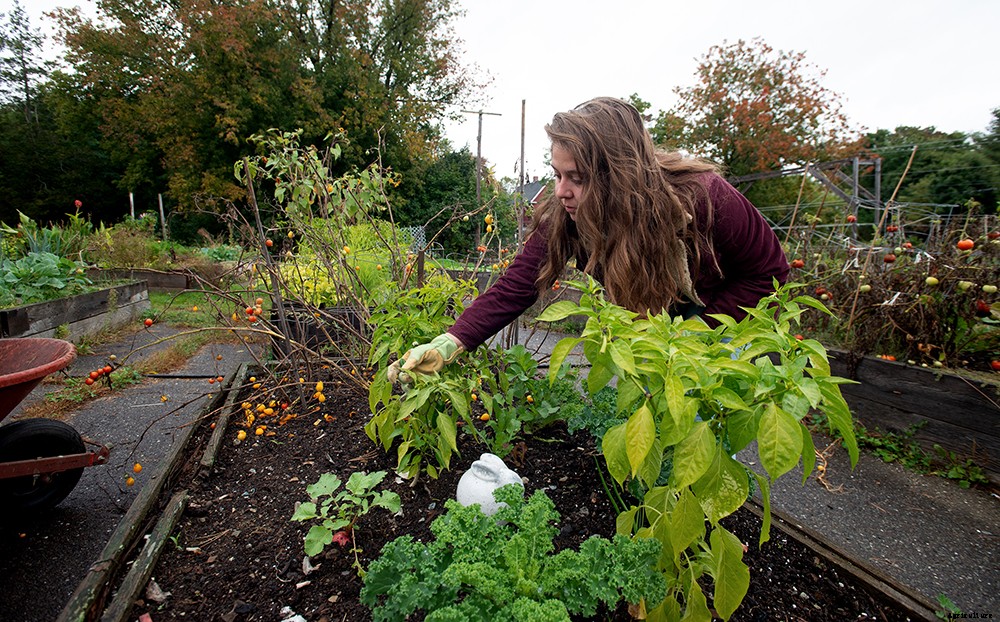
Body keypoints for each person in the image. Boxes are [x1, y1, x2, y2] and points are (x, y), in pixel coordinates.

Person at [391, 96, 789, 379]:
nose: (561, 190)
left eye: (577, 178)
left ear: (620, 177)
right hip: (655, 326)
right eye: (557, 174)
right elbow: (518, 285)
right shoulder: (566, 213)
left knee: (700, 424)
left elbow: (769, 272)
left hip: (722, 318)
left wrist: (698, 332)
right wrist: (451, 342)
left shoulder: (703, 197)